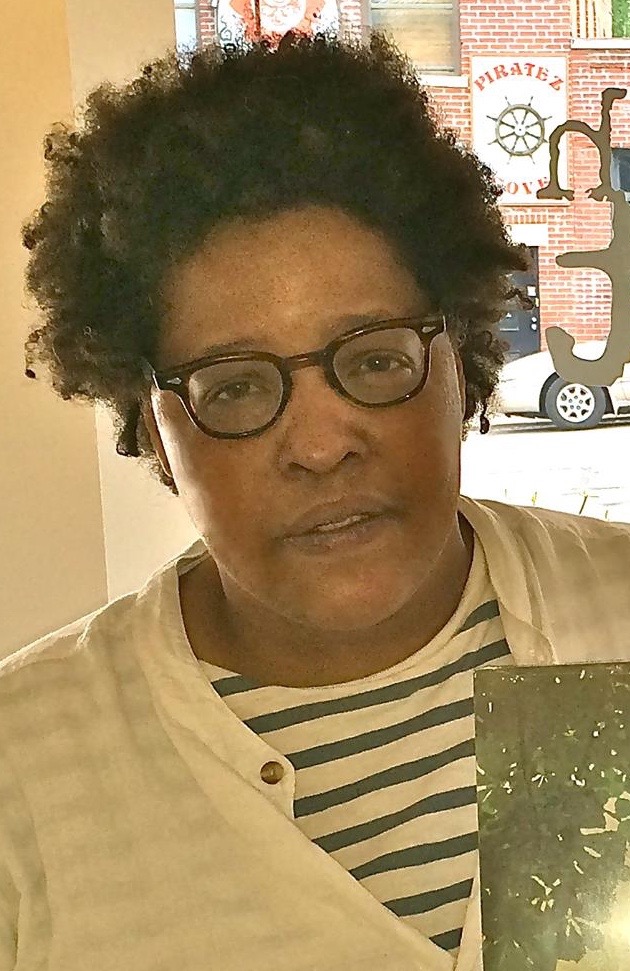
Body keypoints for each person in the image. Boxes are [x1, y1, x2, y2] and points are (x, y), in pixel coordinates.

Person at [4, 30, 630, 971]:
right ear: (151, 425)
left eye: (375, 359)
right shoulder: (22, 773)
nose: (323, 443)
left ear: (461, 361)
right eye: (235, 386)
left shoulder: (616, 605)